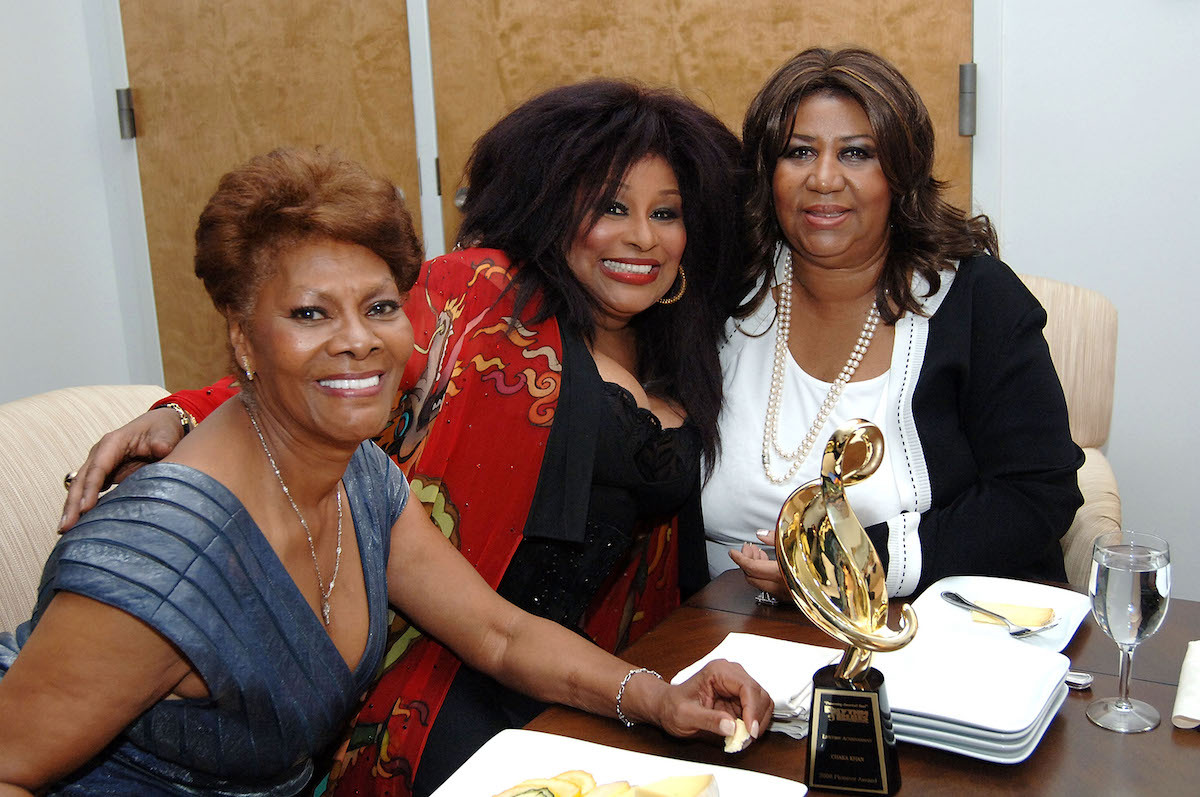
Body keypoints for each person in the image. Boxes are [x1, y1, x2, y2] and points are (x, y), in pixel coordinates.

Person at [0, 148, 770, 796]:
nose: (357, 341)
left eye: (378, 307)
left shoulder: (360, 477)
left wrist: (658, 698)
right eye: (310, 314)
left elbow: (500, 633)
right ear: (242, 338)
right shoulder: (168, 555)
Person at [704, 47, 1084, 600]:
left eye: (857, 154)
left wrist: (852, 566)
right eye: (799, 152)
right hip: (721, 636)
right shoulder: (724, 296)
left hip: (928, 632)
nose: (824, 178)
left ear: (900, 174)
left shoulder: (977, 300)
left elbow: (1035, 494)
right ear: (769, 174)